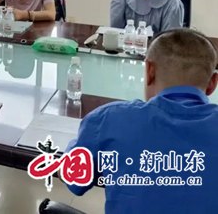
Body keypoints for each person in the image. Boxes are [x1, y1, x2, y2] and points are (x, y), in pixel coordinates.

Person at [66, 28, 218, 213]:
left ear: (149, 71)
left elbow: (73, 178)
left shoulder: (108, 120)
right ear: (213, 83)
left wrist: (77, 144)